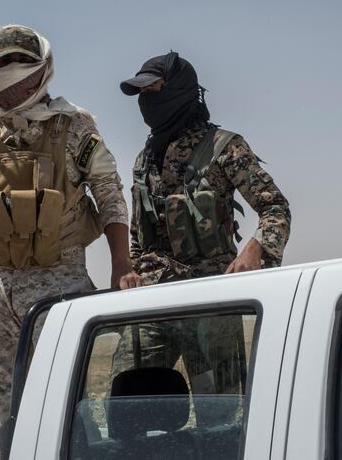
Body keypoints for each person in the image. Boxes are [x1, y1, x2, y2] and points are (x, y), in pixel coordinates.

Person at [0, 24, 139, 434]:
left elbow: (109, 195)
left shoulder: (74, 127)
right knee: (6, 404)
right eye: (2, 62)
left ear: (42, 69)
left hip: (60, 281)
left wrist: (121, 262)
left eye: (21, 60)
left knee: (71, 400)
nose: (11, 69)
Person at [112, 51, 291, 416]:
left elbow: (275, 208)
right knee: (129, 409)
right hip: (151, 306)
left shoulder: (225, 147)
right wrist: (128, 272)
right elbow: (138, 235)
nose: (148, 101)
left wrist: (257, 248)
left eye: (155, 90)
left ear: (179, 90)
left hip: (210, 305)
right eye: (142, 94)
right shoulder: (144, 160)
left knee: (222, 416)